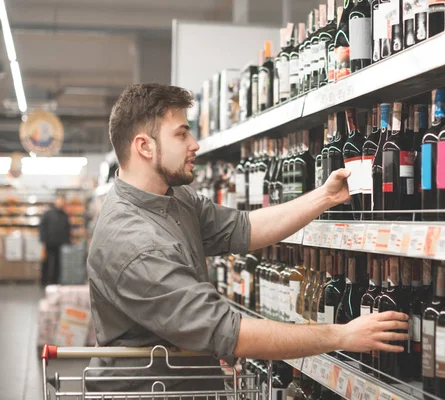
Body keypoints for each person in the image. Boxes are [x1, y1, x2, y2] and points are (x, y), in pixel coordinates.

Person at [86, 83, 408, 393]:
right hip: (152, 393)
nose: (195, 143)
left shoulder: (176, 197)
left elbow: (244, 227)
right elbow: (229, 332)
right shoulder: (133, 242)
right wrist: (341, 336)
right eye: (182, 133)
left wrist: (323, 198)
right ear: (144, 146)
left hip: (186, 386)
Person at [39, 195, 71, 286]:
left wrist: (67, 241)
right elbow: (43, 227)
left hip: (60, 243)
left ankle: (55, 281)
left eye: (62, 202)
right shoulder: (48, 213)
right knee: (46, 262)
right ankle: (44, 281)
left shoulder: (64, 215)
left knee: (58, 263)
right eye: (59, 201)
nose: (61, 203)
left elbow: (67, 229)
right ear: (56, 202)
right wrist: (43, 240)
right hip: (49, 242)